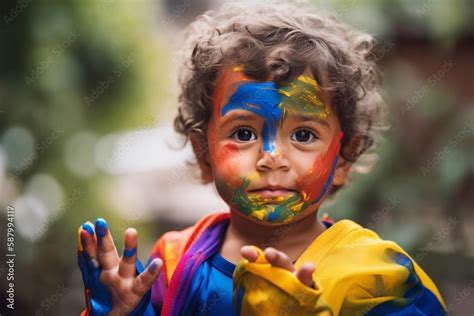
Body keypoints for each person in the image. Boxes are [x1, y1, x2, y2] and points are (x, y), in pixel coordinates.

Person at [76, 3, 447, 315]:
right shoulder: (173, 261)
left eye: (303, 135)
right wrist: (125, 309)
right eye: (243, 133)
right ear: (203, 154)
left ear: (344, 158)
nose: (272, 158)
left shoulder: (377, 277)